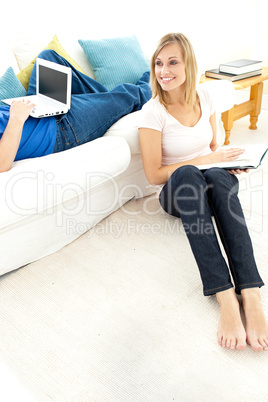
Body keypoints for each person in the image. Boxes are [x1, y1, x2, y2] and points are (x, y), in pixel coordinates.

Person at [138, 32, 268, 351]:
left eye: (172, 62)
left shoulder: (205, 98)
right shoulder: (152, 112)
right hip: (177, 191)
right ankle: (225, 297)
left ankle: (250, 294)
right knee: (188, 171)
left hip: (209, 179)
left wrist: (224, 162)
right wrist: (206, 160)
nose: (163, 70)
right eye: (158, 63)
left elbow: (214, 147)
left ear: (188, 65)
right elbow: (154, 174)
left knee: (220, 180)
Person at [0, 49, 152, 173]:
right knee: (130, 95)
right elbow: (2, 164)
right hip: (62, 129)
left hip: (38, 110)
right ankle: (160, 77)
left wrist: (28, 106)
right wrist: (16, 118)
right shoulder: (19, 120)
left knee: (48, 57)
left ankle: (106, 101)